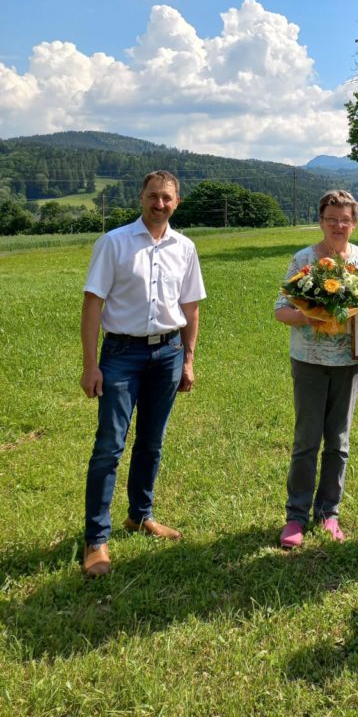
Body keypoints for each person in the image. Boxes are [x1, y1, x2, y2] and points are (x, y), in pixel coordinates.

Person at [80, 171, 206, 578]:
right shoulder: (113, 243)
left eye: (167, 198)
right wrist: (90, 365)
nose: (160, 204)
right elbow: (92, 304)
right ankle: (96, 539)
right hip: (121, 355)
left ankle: (140, 516)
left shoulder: (185, 247)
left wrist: (187, 359)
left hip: (168, 353)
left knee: (151, 443)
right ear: (141, 198)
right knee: (109, 447)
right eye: (153, 196)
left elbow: (191, 308)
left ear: (177, 202)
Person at [275, 190, 358, 549]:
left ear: (354, 223)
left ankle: (329, 512)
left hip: (349, 363)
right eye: (331, 219)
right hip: (308, 360)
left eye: (345, 219)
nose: (338, 225)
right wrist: (307, 316)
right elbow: (281, 310)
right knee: (306, 440)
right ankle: (296, 515)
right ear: (320, 221)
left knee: (338, 441)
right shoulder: (303, 259)